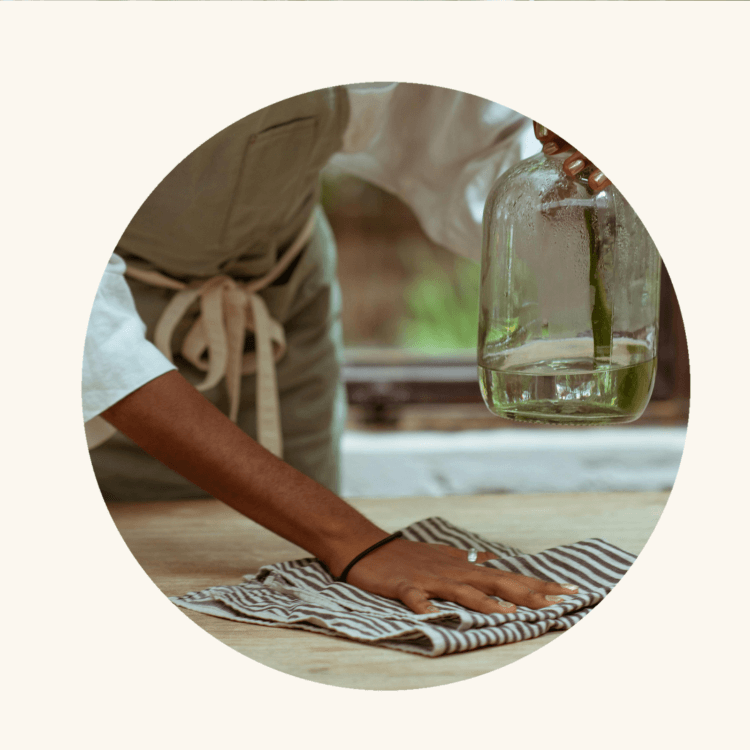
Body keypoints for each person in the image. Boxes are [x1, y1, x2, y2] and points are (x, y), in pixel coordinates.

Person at [84, 83, 605, 616]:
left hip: (282, 297)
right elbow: (94, 347)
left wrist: (569, 170)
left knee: (299, 588)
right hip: (108, 337)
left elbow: (462, 145)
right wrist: (357, 542)